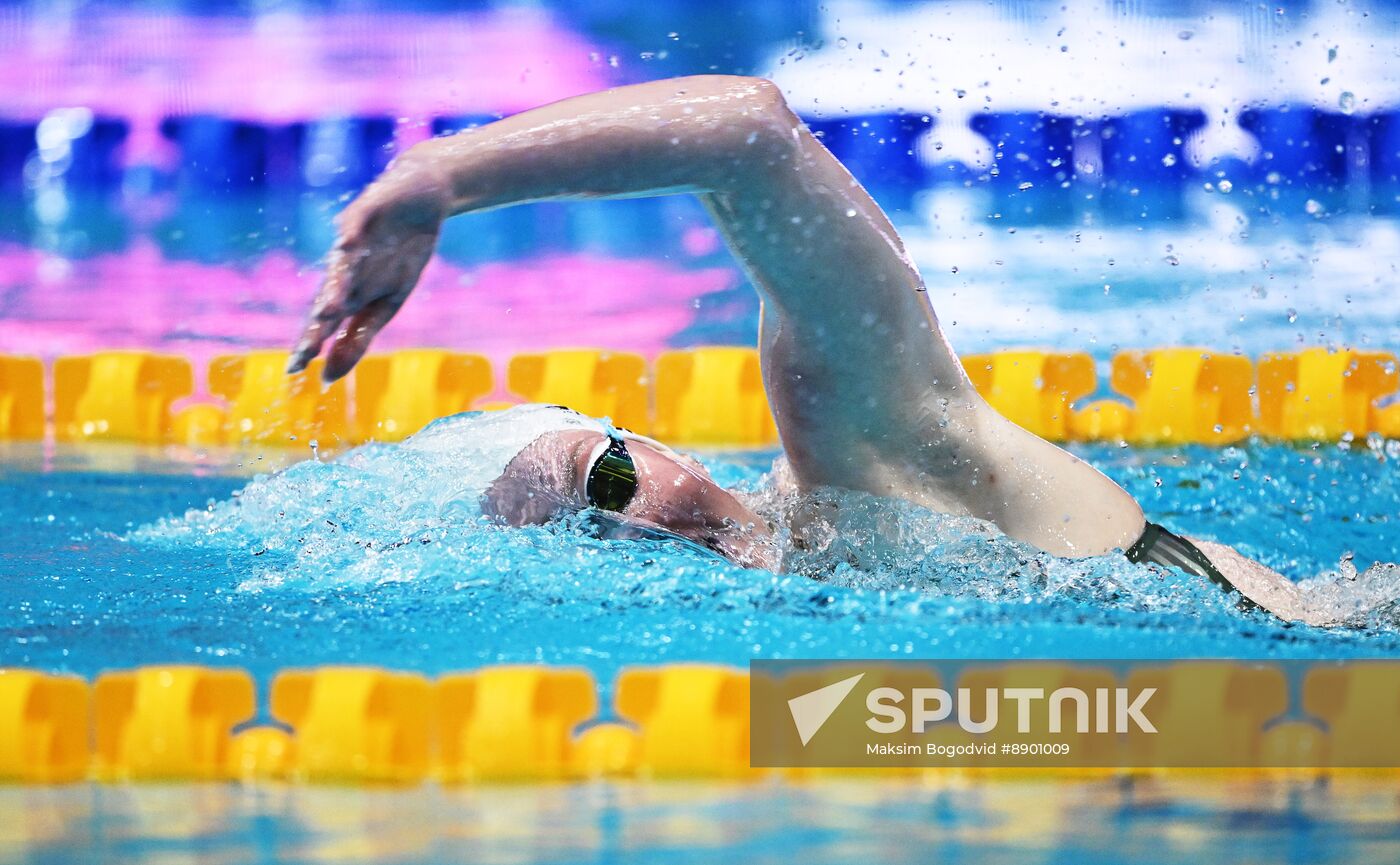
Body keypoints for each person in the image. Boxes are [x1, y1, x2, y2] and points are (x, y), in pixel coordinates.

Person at [286, 75, 1333, 626]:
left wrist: (440, 178)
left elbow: (748, 128)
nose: (639, 490)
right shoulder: (813, 552)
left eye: (609, 458)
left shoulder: (864, 448)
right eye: (600, 496)